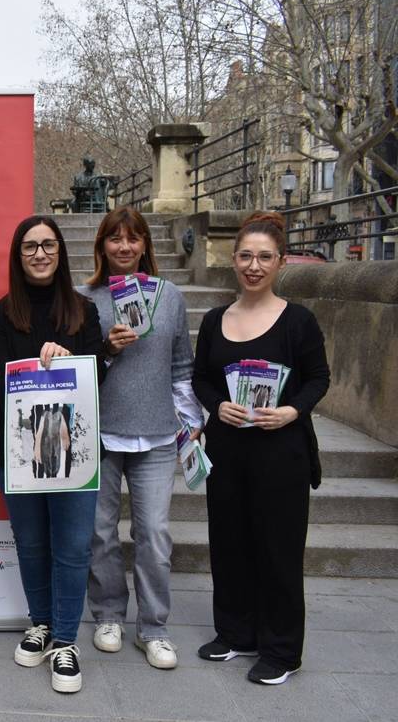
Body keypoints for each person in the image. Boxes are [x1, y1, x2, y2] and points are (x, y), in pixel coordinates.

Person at [191, 211, 329, 685]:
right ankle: (235, 632)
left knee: (278, 550)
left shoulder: (298, 321)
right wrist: (216, 406)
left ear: (280, 262)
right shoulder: (214, 321)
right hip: (228, 450)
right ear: (234, 260)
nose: (254, 265)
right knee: (229, 544)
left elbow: (318, 378)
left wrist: (293, 412)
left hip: (281, 451)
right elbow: (201, 378)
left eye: (264, 257)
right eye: (246, 256)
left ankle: (282, 650)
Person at [0, 215, 105, 693]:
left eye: (48, 245)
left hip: (74, 450)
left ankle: (67, 642)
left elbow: (99, 377)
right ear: (17, 256)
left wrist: (72, 364)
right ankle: (42, 624)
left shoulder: (84, 312)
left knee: (72, 548)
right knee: (31, 542)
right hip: (15, 449)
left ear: (60, 252)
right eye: (29, 246)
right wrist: (38, 366)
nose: (40, 254)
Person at [79, 206, 204, 671]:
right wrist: (106, 348)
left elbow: (181, 365)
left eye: (133, 239)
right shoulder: (84, 297)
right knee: (100, 532)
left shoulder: (169, 295)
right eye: (115, 239)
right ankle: (109, 614)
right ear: (102, 246)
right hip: (101, 433)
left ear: (145, 245)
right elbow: (78, 368)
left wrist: (190, 421)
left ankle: (153, 627)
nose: (125, 247)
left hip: (155, 435)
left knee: (153, 533)